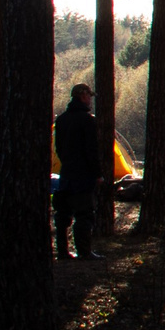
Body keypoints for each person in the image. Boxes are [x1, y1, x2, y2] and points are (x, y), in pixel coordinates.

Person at [53, 84, 101, 261]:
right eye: (89, 95)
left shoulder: (62, 119)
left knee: (63, 214)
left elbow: (58, 148)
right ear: (82, 96)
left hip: (66, 173)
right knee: (84, 213)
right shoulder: (87, 120)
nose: (90, 99)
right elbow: (92, 150)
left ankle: (62, 251)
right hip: (83, 174)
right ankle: (84, 252)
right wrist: (97, 173)